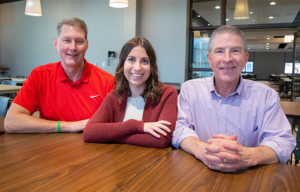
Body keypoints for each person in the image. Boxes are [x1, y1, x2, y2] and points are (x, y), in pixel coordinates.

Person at [172, 25, 296, 172]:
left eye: (235, 51)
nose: (227, 58)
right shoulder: (190, 90)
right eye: (219, 51)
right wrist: (200, 148)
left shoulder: (266, 97)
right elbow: (180, 129)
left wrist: (249, 155)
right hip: (199, 173)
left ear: (246, 58)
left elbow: (282, 141)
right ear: (209, 59)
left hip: (249, 176)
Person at [4, 18, 114, 133]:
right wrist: (69, 126)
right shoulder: (39, 75)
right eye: (67, 40)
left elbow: (117, 125)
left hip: (93, 148)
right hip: (49, 148)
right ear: (56, 44)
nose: (73, 47)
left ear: (86, 45)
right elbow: (11, 122)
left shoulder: (108, 82)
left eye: (79, 41)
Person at [83, 37, 177, 148]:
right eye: (131, 59)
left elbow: (161, 139)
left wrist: (109, 135)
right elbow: (90, 132)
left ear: (151, 66)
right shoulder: (114, 96)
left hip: (152, 163)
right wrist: (136, 126)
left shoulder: (167, 93)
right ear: (123, 64)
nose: (137, 67)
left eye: (144, 61)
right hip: (118, 162)